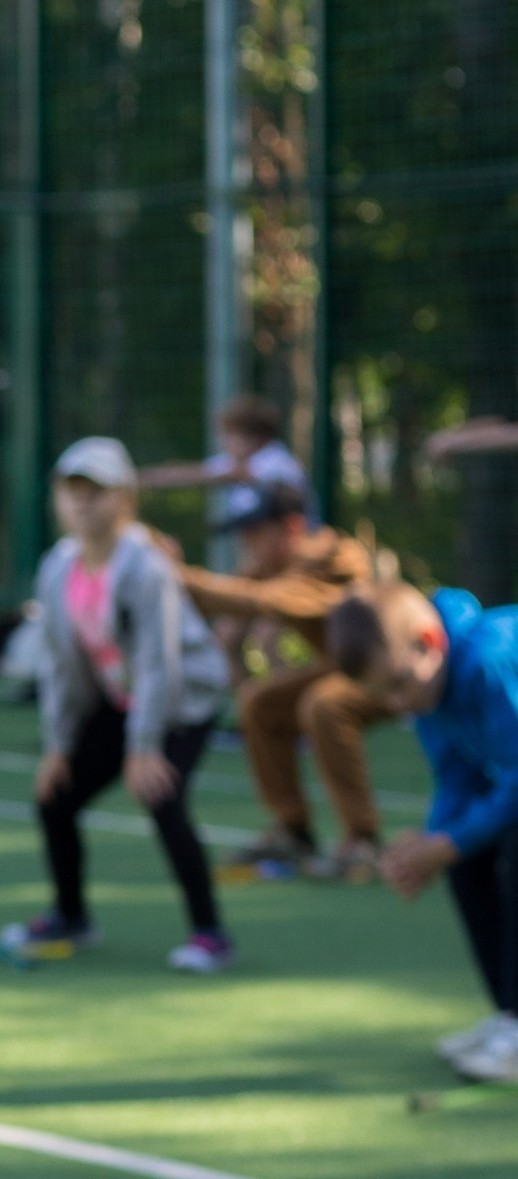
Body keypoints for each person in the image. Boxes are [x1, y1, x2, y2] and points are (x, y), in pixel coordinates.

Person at [1, 435, 234, 970]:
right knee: (55, 798)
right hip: (123, 698)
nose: (83, 502)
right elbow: (60, 665)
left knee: (162, 795)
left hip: (184, 700)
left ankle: (210, 935)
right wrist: (58, 746)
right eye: (72, 490)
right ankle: (71, 916)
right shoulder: (58, 567)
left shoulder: (147, 568)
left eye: (97, 491)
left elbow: (160, 663)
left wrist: (145, 747)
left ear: (126, 500)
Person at [325, 576, 518, 1084]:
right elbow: (457, 778)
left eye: (397, 685)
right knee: (463, 854)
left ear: (428, 643)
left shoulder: (490, 661)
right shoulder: (427, 693)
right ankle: (510, 1019)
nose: (397, 706)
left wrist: (448, 843)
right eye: (381, 696)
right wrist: (434, 844)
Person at [173, 486, 385, 878]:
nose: (246, 543)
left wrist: (177, 574)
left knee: (325, 703)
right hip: (342, 669)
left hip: (390, 673)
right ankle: (293, 831)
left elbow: (265, 600)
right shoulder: (275, 563)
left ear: (292, 526)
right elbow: (231, 598)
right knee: (260, 702)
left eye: (255, 532)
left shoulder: (334, 557)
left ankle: (362, 838)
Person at [141, 393, 313, 537]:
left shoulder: (277, 461)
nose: (226, 443)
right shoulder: (237, 462)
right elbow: (193, 472)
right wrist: (148, 478)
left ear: (254, 438)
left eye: (230, 435)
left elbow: (229, 474)